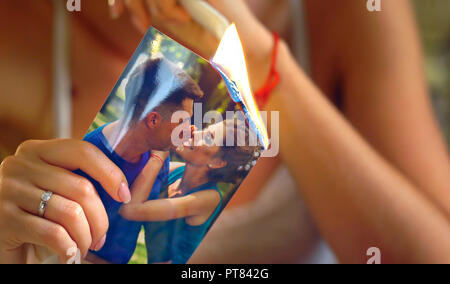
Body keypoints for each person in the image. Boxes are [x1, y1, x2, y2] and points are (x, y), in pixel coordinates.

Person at [1, 0, 450, 264]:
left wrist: (268, 67)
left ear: (217, 160)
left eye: (205, 135)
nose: (192, 134)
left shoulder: (353, 15)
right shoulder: (23, 27)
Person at [81, 57, 204, 264]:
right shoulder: (89, 158)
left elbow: (151, 221)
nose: (189, 128)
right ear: (154, 119)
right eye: (183, 121)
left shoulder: (157, 154)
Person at [119, 119, 260, 264]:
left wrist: (160, 153)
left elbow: (130, 210)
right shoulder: (175, 171)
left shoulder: (209, 198)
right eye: (204, 129)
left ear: (217, 163)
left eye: (208, 138)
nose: (195, 133)